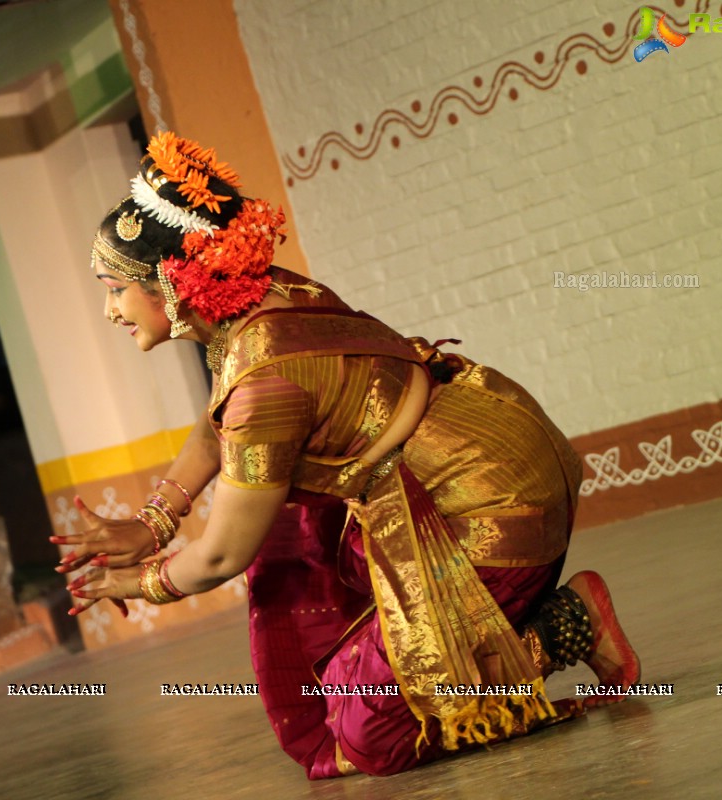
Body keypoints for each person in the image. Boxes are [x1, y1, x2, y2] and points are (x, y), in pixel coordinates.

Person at [50, 132, 640, 779]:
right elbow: (218, 424)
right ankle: (481, 631)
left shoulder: (262, 381)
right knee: (314, 590)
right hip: (489, 449)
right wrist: (151, 523)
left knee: (370, 731)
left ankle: (567, 626)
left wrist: (131, 582)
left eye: (113, 289)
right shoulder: (267, 302)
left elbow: (222, 552)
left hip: (489, 508)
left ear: (168, 279)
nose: (109, 312)